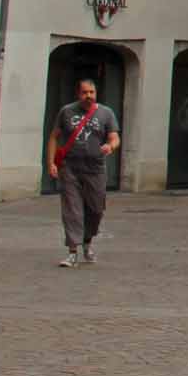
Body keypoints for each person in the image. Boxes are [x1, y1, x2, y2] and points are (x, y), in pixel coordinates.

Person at [48, 77, 121, 266]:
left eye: (91, 92)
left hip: (95, 168)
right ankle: (72, 251)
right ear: (78, 94)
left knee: (96, 209)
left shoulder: (106, 113)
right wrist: (51, 163)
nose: (88, 96)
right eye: (84, 92)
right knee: (72, 209)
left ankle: (87, 241)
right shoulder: (66, 111)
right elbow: (54, 137)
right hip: (70, 167)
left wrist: (110, 146)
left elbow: (114, 137)